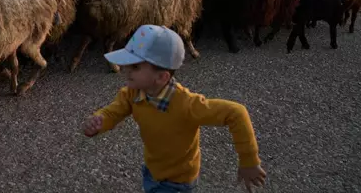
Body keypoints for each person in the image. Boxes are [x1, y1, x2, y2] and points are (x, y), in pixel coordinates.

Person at [82, 25, 267, 193]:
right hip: (152, 171)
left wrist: (249, 161)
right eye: (127, 64)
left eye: (135, 66)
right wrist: (100, 120)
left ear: (162, 77)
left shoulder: (186, 104)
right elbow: (113, 112)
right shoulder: (132, 93)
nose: (125, 69)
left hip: (177, 183)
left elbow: (236, 112)